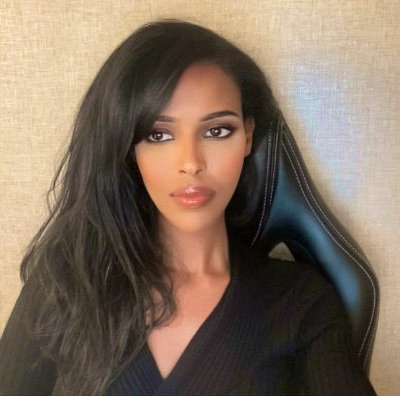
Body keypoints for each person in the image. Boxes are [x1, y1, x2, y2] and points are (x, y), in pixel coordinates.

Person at [0, 19, 376, 395]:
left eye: (217, 131)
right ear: (128, 147)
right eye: (158, 134)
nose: (191, 163)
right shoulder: (66, 283)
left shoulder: (299, 303)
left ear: (247, 135)